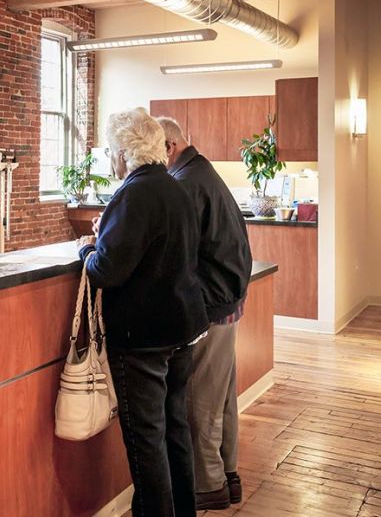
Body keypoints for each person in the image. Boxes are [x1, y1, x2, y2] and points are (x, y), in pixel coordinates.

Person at [77, 107, 208, 517]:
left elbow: (107, 271)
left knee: (146, 442)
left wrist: (87, 249)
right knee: (174, 432)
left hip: (143, 338)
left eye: (111, 152)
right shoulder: (175, 188)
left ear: (123, 152)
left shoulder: (133, 193)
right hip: (182, 328)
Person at [157, 116, 253, 510]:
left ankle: (208, 486)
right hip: (227, 302)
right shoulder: (202, 172)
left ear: (168, 147)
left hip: (210, 306)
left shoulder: (185, 184)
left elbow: (174, 251)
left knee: (199, 403)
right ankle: (227, 475)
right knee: (221, 398)